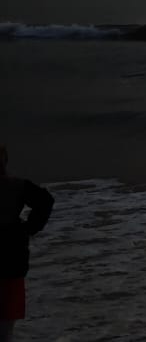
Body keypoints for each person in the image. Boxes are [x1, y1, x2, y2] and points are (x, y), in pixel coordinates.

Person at [1, 145, 53, 342]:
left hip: (11, 257)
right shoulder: (16, 185)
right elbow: (45, 201)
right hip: (11, 254)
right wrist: (29, 229)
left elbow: (46, 201)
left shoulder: (16, 185)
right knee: (5, 326)